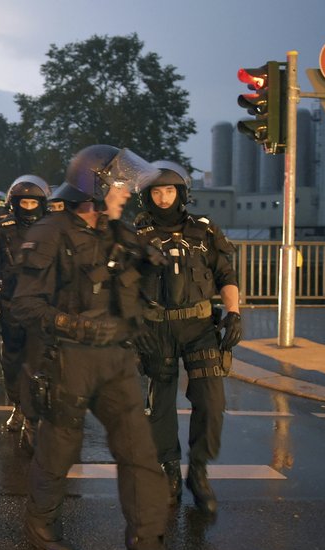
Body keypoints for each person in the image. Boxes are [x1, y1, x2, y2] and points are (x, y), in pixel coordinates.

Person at [12, 145, 186, 550]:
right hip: (70, 359)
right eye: (122, 185)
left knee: (140, 456)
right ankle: (41, 521)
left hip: (117, 361)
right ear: (96, 187)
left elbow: (138, 289)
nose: (129, 193)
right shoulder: (51, 232)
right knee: (59, 447)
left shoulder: (120, 233)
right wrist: (74, 326)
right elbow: (25, 304)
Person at [134, 161, 241, 514]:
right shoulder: (134, 235)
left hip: (199, 328)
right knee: (160, 406)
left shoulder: (205, 231)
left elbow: (225, 274)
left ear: (181, 193)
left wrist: (234, 312)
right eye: (156, 191)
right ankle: (168, 472)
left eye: (169, 190)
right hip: (156, 329)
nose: (163, 198)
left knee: (211, 403)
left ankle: (198, 470)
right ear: (147, 196)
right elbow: (121, 287)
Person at [0, 175, 46, 430]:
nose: (28, 208)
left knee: (39, 360)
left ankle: (34, 412)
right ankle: (18, 404)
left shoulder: (52, 230)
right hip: (11, 304)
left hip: (42, 307)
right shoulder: (1, 230)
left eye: (33, 203)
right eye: (24, 203)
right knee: (12, 360)